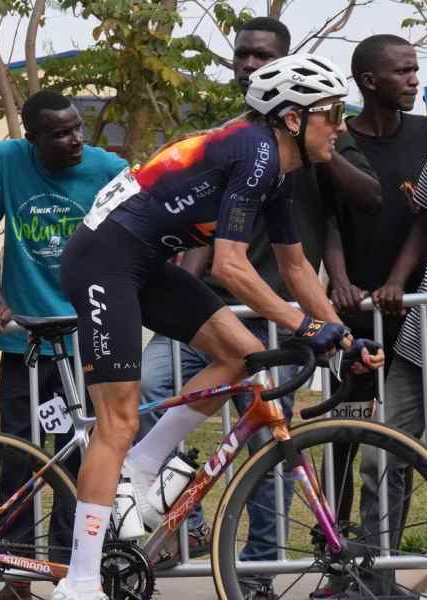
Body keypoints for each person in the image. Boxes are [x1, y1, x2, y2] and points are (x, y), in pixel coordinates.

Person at [53, 54, 384, 600]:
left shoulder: (281, 169)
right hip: (102, 262)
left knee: (243, 353)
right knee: (117, 419)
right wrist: (306, 327)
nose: (341, 125)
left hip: (145, 262)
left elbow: (297, 267)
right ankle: (80, 584)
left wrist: (344, 335)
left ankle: (140, 470)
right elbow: (230, 265)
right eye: (330, 112)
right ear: (294, 120)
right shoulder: (255, 152)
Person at [135, 19, 381, 594]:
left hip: (272, 307)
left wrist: (338, 333)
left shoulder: (318, 133)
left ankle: (261, 568)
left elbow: (336, 229)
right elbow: (210, 246)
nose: (247, 63)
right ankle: (176, 522)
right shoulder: (239, 138)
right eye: (241, 54)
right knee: (150, 395)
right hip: (213, 300)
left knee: (271, 440)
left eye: (260, 56)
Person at [0, 89, 128, 600]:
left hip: (86, 342)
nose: (74, 139)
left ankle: (69, 571)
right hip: (26, 344)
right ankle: (15, 575)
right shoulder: (7, 160)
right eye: (59, 133)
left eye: (77, 127)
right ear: (31, 136)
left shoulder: (107, 168)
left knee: (78, 457)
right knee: (19, 457)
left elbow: (138, 235)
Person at [313, 34, 427, 599]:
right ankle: (338, 571)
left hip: (420, 317)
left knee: (397, 453)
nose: (414, 79)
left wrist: (403, 285)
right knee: (346, 442)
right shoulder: (338, 140)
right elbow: (328, 217)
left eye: (415, 68)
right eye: (404, 71)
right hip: (357, 316)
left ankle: (378, 570)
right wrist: (336, 278)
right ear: (369, 81)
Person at [355, 62, 427, 598]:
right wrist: (398, 281)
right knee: (381, 457)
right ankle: (374, 580)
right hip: (426, 332)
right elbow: (423, 220)